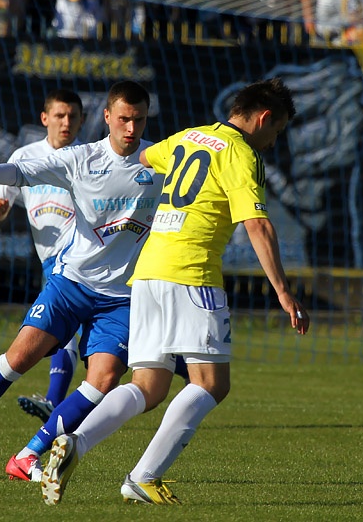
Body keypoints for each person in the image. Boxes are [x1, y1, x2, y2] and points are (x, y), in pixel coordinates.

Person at [40, 77, 310, 506]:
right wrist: (283, 291)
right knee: (211, 384)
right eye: (275, 131)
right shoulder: (243, 153)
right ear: (262, 118)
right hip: (192, 274)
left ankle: (75, 442)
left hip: (147, 274)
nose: (273, 142)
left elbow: (145, 156)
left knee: (148, 386)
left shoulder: (190, 135)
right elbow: (257, 224)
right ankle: (144, 477)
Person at [0, 81, 176, 483]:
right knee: (17, 360)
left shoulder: (161, 162)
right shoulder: (81, 159)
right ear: (107, 117)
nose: (131, 128)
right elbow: (24, 172)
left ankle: (28, 455)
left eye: (139, 119)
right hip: (71, 283)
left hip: (121, 298)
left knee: (104, 380)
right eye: (124, 119)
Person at [0, 89, 84, 424]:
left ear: (82, 120)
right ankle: (190, 372)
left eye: (72, 116)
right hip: (49, 260)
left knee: (62, 329)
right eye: (59, 115)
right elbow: (2, 196)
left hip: (77, 258)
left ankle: (53, 400)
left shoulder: (86, 157)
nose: (66, 122)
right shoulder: (26, 155)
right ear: (45, 119)